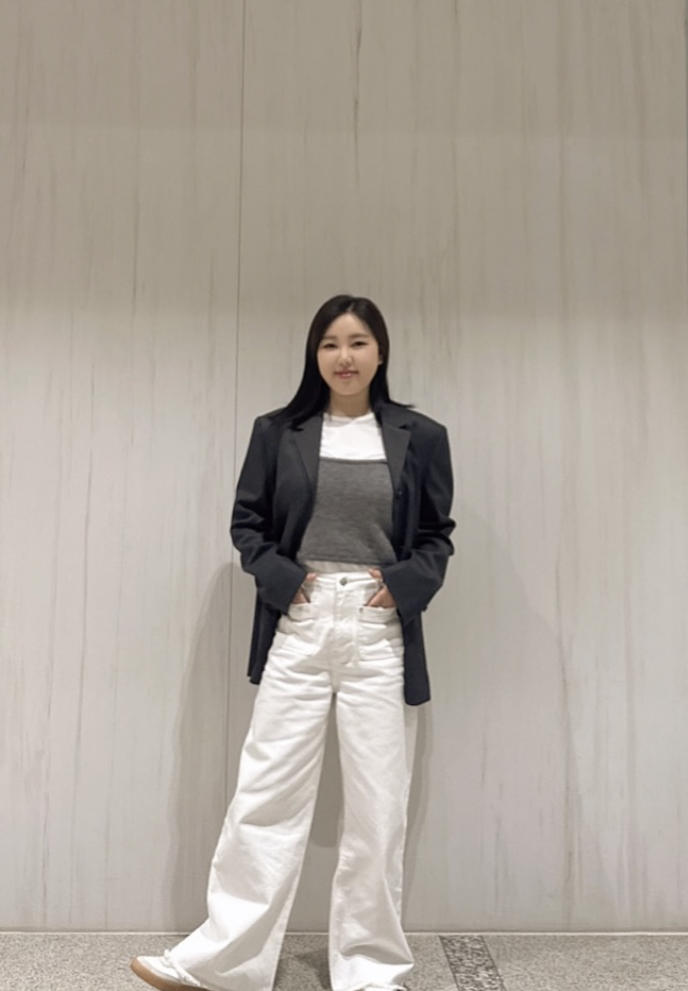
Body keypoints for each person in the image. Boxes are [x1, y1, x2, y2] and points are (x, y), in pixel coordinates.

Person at [131, 294, 455, 991]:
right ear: (315, 354)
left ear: (380, 352)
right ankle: (222, 961)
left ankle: (370, 971)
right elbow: (247, 523)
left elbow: (436, 535)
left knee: (378, 807)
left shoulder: (420, 435)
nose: (344, 356)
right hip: (301, 621)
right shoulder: (278, 431)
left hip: (378, 629)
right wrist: (285, 581)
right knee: (265, 793)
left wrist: (402, 585)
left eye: (358, 342)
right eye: (330, 343)